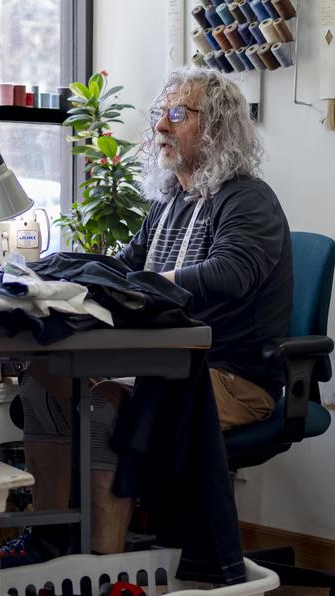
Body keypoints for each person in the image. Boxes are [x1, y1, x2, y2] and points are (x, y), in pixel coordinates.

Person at [18, 66, 292, 556]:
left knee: (103, 409)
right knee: (43, 380)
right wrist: (62, 277)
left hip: (231, 377)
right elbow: (125, 268)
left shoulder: (249, 200)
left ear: (218, 126)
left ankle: (103, 571)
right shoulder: (169, 202)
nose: (160, 128)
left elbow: (229, 274)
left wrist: (141, 285)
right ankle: (50, 544)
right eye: (158, 115)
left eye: (176, 114)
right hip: (161, 366)